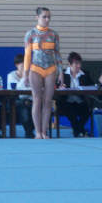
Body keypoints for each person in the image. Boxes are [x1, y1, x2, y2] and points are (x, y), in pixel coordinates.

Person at [24, 7, 63, 139]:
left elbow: (57, 54)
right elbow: (27, 55)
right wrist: (25, 73)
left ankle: (44, 131)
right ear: (37, 17)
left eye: (49, 17)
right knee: (37, 99)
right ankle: (37, 132)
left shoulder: (54, 34)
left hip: (50, 69)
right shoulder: (30, 34)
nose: (47, 19)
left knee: (47, 101)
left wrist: (61, 72)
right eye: (44, 17)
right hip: (35, 69)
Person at [57, 52, 95, 137]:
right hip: (66, 102)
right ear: (70, 64)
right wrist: (60, 87)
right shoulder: (62, 74)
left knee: (88, 110)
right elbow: (56, 86)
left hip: (80, 102)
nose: (79, 66)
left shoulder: (85, 74)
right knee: (71, 112)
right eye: (76, 63)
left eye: (80, 63)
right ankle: (80, 131)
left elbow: (92, 86)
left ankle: (77, 131)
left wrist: (100, 82)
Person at [7, 54, 34, 138]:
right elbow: (14, 90)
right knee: (24, 107)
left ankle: (33, 130)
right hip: (17, 100)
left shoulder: (32, 75)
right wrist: (24, 77)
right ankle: (28, 131)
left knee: (35, 105)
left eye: (27, 65)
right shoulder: (11, 75)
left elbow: (33, 89)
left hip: (31, 99)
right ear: (16, 65)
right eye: (23, 66)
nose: (25, 68)